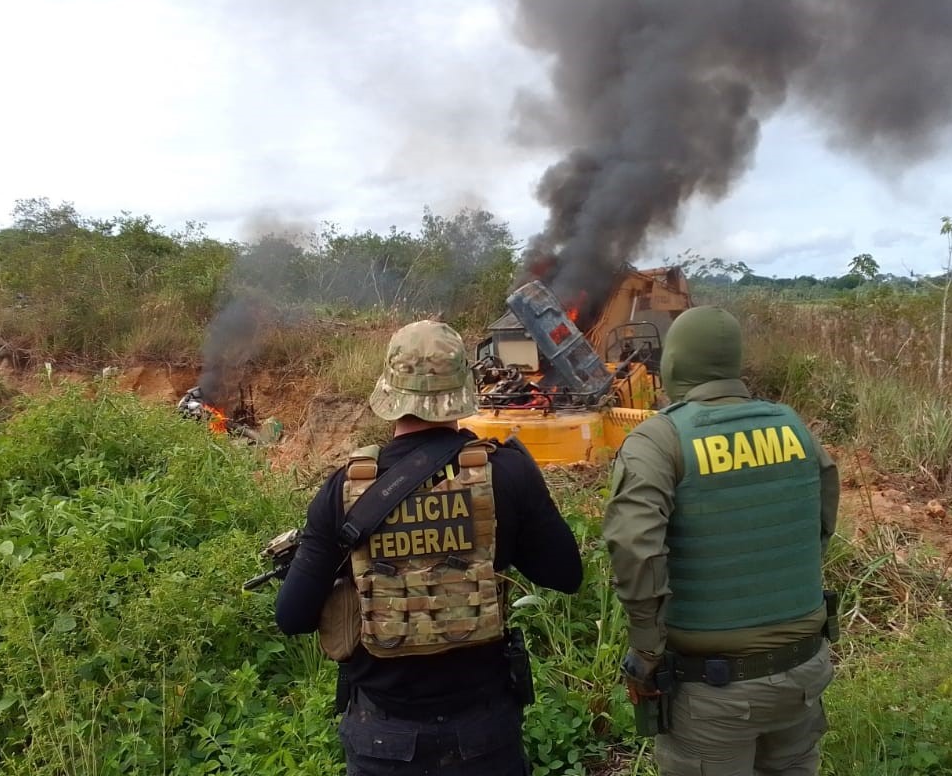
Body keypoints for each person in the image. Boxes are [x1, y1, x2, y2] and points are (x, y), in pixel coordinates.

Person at [276, 319, 583, 776]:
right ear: (463, 386)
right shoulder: (507, 474)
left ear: (390, 390)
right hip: (483, 731)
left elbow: (292, 617)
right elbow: (566, 575)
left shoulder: (345, 489)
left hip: (384, 736)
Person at [603, 305, 840, 776]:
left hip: (714, 692)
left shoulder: (659, 440)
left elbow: (635, 547)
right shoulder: (795, 428)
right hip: (804, 674)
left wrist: (647, 650)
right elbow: (820, 523)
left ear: (671, 366)